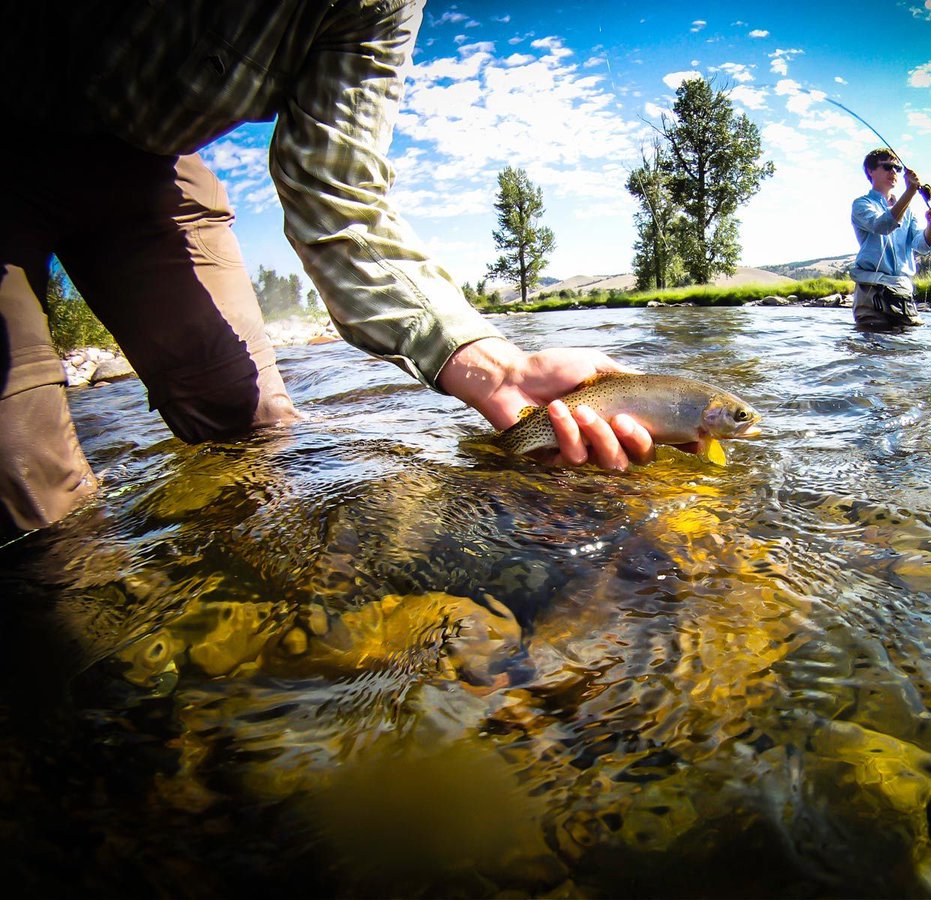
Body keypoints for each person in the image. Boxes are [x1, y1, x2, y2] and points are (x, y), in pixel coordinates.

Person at [0, 0, 656, 536]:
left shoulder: (382, 9)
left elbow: (337, 204)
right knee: (31, 483)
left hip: (151, 170)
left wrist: (503, 370)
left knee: (252, 425)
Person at [849, 147, 931, 329]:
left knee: (906, 355)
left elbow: (922, 245)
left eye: (897, 169)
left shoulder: (908, 212)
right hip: (871, 292)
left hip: (902, 292)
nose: (893, 172)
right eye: (887, 167)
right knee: (871, 353)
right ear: (871, 171)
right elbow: (883, 225)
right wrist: (911, 192)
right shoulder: (861, 204)